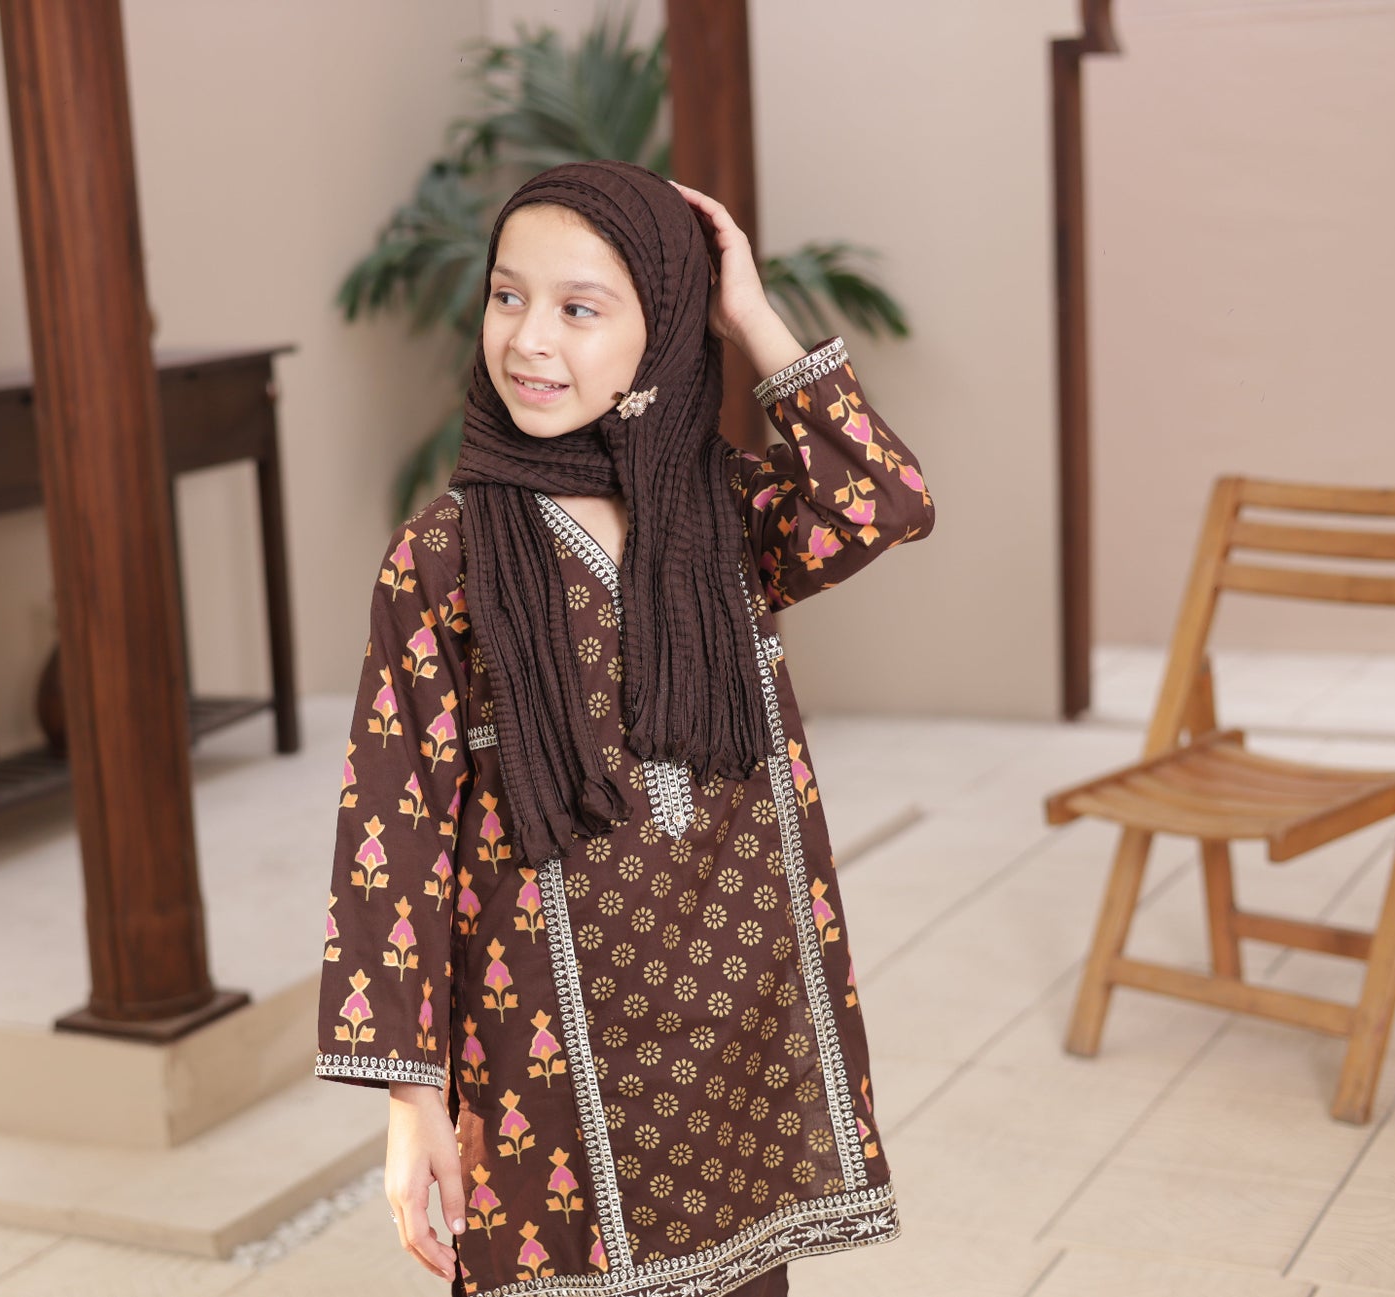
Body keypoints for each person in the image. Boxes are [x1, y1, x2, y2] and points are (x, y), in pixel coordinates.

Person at [315, 158, 933, 1296]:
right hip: (544, 1045)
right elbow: (389, 836)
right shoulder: (445, 558)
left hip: (732, 1025)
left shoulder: (722, 513)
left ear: (660, 334)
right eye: (507, 296)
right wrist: (411, 1106)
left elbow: (879, 500)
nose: (529, 339)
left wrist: (746, 309)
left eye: (578, 308)